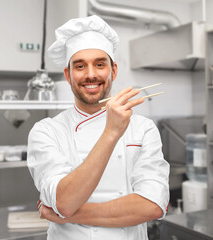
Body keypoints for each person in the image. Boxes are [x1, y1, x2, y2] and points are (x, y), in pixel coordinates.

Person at [27, 15, 169, 239]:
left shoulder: (144, 129)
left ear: (113, 70)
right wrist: (112, 132)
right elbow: (64, 201)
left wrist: (70, 215)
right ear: (68, 75)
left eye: (99, 64)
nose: (91, 74)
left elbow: (152, 205)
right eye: (80, 66)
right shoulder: (47, 131)